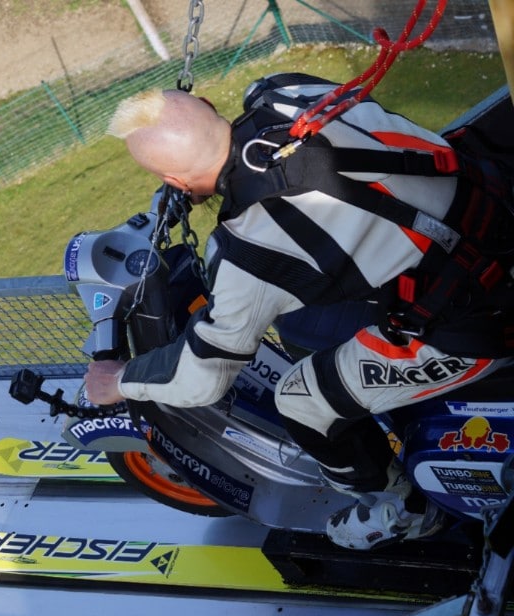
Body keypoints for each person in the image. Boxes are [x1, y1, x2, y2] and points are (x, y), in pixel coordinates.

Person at [84, 73, 514, 550]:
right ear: (207, 101)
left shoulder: (246, 251)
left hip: (484, 318)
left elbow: (203, 378)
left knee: (301, 400)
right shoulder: (289, 92)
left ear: (174, 182)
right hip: (496, 208)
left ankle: (401, 508)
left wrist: (119, 379)